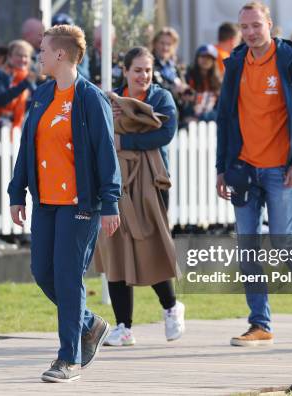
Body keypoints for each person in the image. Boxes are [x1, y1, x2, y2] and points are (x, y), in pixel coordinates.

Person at [8, 24, 121, 383]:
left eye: (42, 50)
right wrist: (16, 193)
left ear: (61, 54)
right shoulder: (42, 95)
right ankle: (90, 324)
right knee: (43, 272)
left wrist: (110, 203)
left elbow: (106, 153)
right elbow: (28, 147)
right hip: (45, 204)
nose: (38, 55)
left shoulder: (90, 98)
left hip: (80, 205)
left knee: (69, 279)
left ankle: (68, 358)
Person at [215, 1, 292, 346]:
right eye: (244, 27)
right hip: (244, 168)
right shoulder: (235, 62)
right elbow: (224, 118)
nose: (250, 33)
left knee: (282, 241)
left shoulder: (290, 59)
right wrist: (221, 167)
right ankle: (260, 324)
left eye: (256, 26)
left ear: (269, 25)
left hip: (281, 169)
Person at [94, 46, 184, 347]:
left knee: (150, 246)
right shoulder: (109, 101)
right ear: (125, 70)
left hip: (151, 184)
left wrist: (124, 138)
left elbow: (164, 134)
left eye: (147, 70)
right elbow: (98, 134)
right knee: (115, 250)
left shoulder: (161, 98)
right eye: (137, 70)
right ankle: (124, 326)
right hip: (116, 184)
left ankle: (171, 308)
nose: (143, 75)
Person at [0, 39, 35, 130]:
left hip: (22, 128)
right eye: (19, 55)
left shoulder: (30, 78)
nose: (23, 59)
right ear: (9, 56)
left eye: (26, 56)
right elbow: (1, 99)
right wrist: (24, 83)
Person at [183, 44, 222, 122]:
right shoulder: (187, 77)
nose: (205, 60)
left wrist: (201, 118)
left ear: (214, 61)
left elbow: (221, 109)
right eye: (202, 56)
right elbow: (184, 104)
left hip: (211, 122)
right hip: (189, 122)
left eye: (209, 57)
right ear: (197, 58)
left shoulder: (219, 81)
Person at [151, 27, 188, 108]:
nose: (165, 47)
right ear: (155, 43)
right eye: (162, 43)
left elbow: (183, 86)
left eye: (169, 44)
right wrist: (172, 91)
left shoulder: (176, 65)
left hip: (178, 111)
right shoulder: (149, 64)